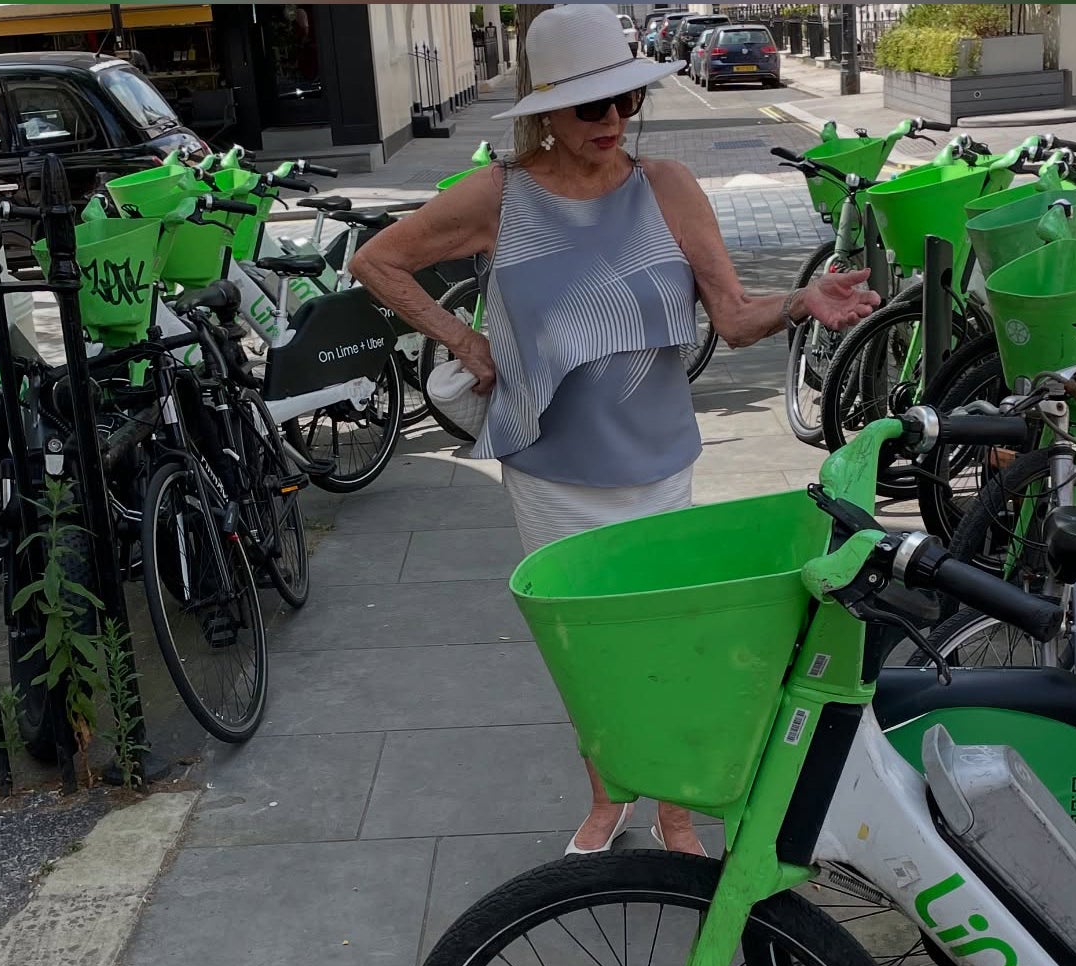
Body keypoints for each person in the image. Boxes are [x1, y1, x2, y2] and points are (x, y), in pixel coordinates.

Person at [351, 4, 878, 858]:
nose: (614, 124)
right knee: (587, 657)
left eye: (627, 103)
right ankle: (608, 795)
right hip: (551, 476)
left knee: (672, 647)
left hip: (658, 467)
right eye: (593, 107)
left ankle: (674, 808)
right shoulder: (499, 197)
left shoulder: (667, 188)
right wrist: (462, 338)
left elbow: (735, 318)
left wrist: (799, 304)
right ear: (546, 112)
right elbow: (375, 260)